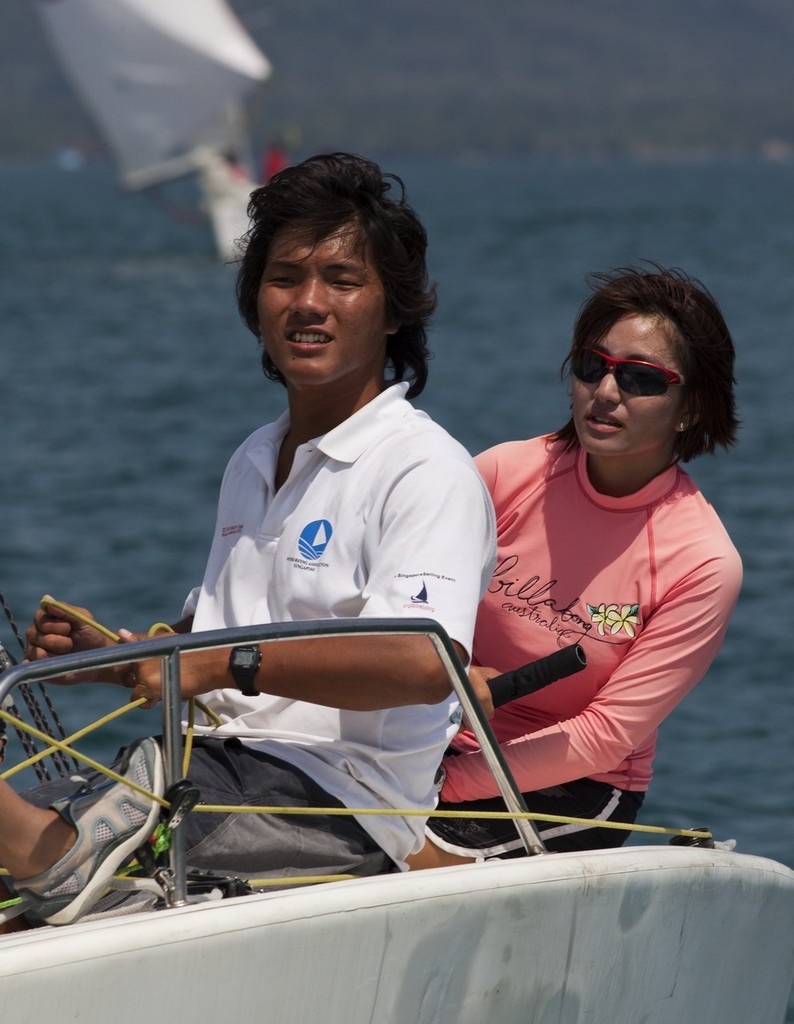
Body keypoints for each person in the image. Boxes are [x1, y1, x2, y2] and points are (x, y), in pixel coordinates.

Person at [0, 152, 496, 927]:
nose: (309, 303)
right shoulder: (253, 459)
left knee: (61, 849)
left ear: (393, 311)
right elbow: (217, 639)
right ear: (255, 302)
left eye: (341, 279)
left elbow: (425, 662)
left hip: (342, 805)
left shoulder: (424, 467)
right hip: (214, 771)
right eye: (285, 277)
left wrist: (219, 663)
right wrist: (113, 659)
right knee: (43, 830)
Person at [408, 264, 742, 868]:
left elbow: (604, 736)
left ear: (691, 408)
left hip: (578, 784)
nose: (607, 392)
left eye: (642, 378)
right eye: (595, 366)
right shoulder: (503, 474)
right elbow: (402, 612)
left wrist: (442, 784)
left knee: (392, 857)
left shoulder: (704, 561)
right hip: (429, 745)